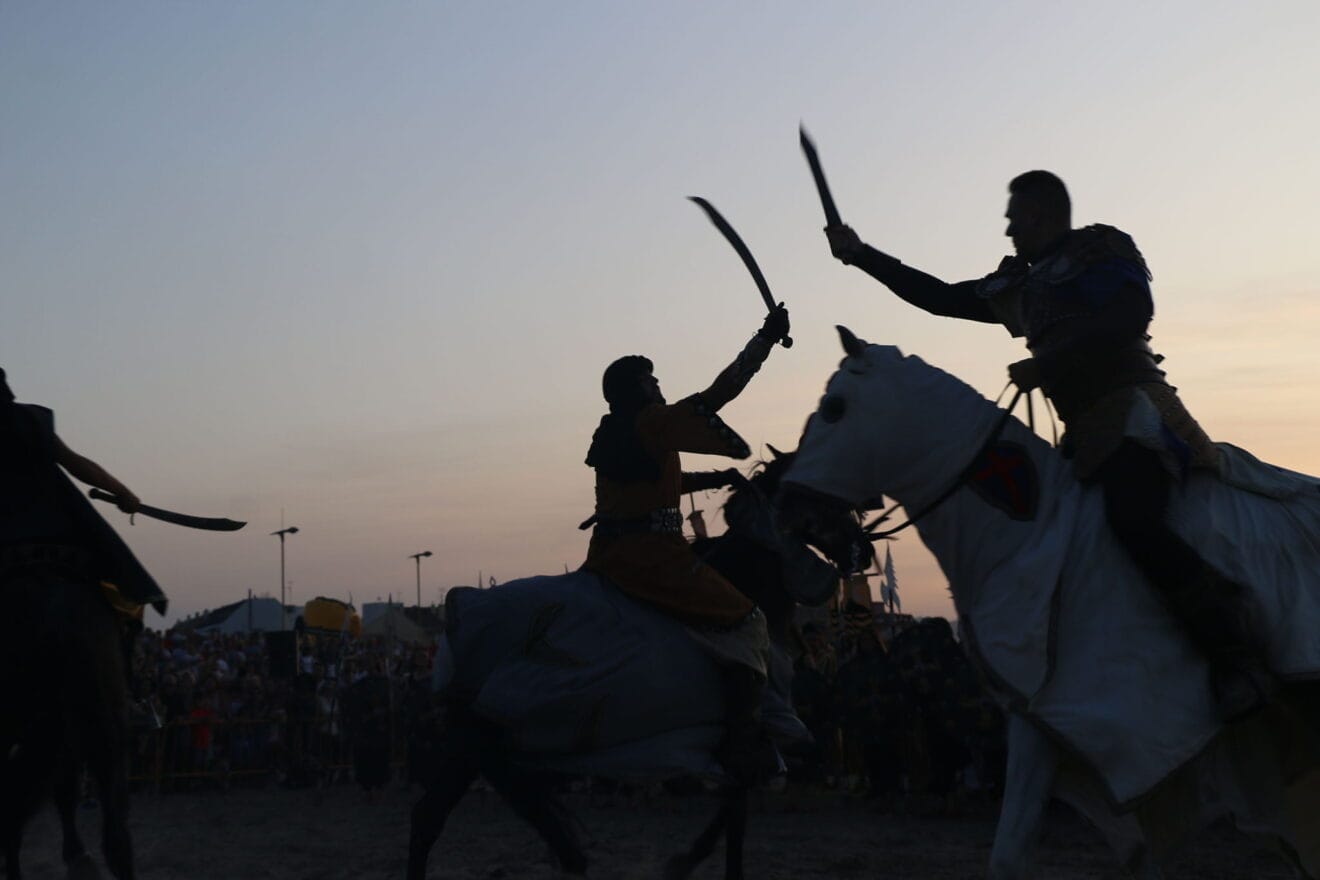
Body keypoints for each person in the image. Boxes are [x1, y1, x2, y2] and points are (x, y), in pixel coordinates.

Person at [823, 172, 1271, 719]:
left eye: (1014, 217)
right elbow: (940, 298)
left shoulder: (1099, 250)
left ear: (1038, 214)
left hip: (1134, 414)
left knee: (1135, 521)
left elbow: (1132, 315)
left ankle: (1234, 655)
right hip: (1082, 437)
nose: (1007, 229)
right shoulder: (1022, 287)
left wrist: (1051, 361)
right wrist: (861, 255)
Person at [581, 304, 789, 781]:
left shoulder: (616, 431)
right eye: (651, 381)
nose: (659, 387)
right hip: (652, 559)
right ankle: (742, 742)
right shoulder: (654, 421)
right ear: (638, 389)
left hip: (608, 554)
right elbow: (719, 393)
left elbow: (657, 484)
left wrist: (719, 474)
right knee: (751, 622)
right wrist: (765, 341)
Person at [0, 367, 167, 622]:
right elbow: (74, 463)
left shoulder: (27, 420)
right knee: (113, 568)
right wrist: (122, 492)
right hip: (55, 527)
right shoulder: (29, 420)